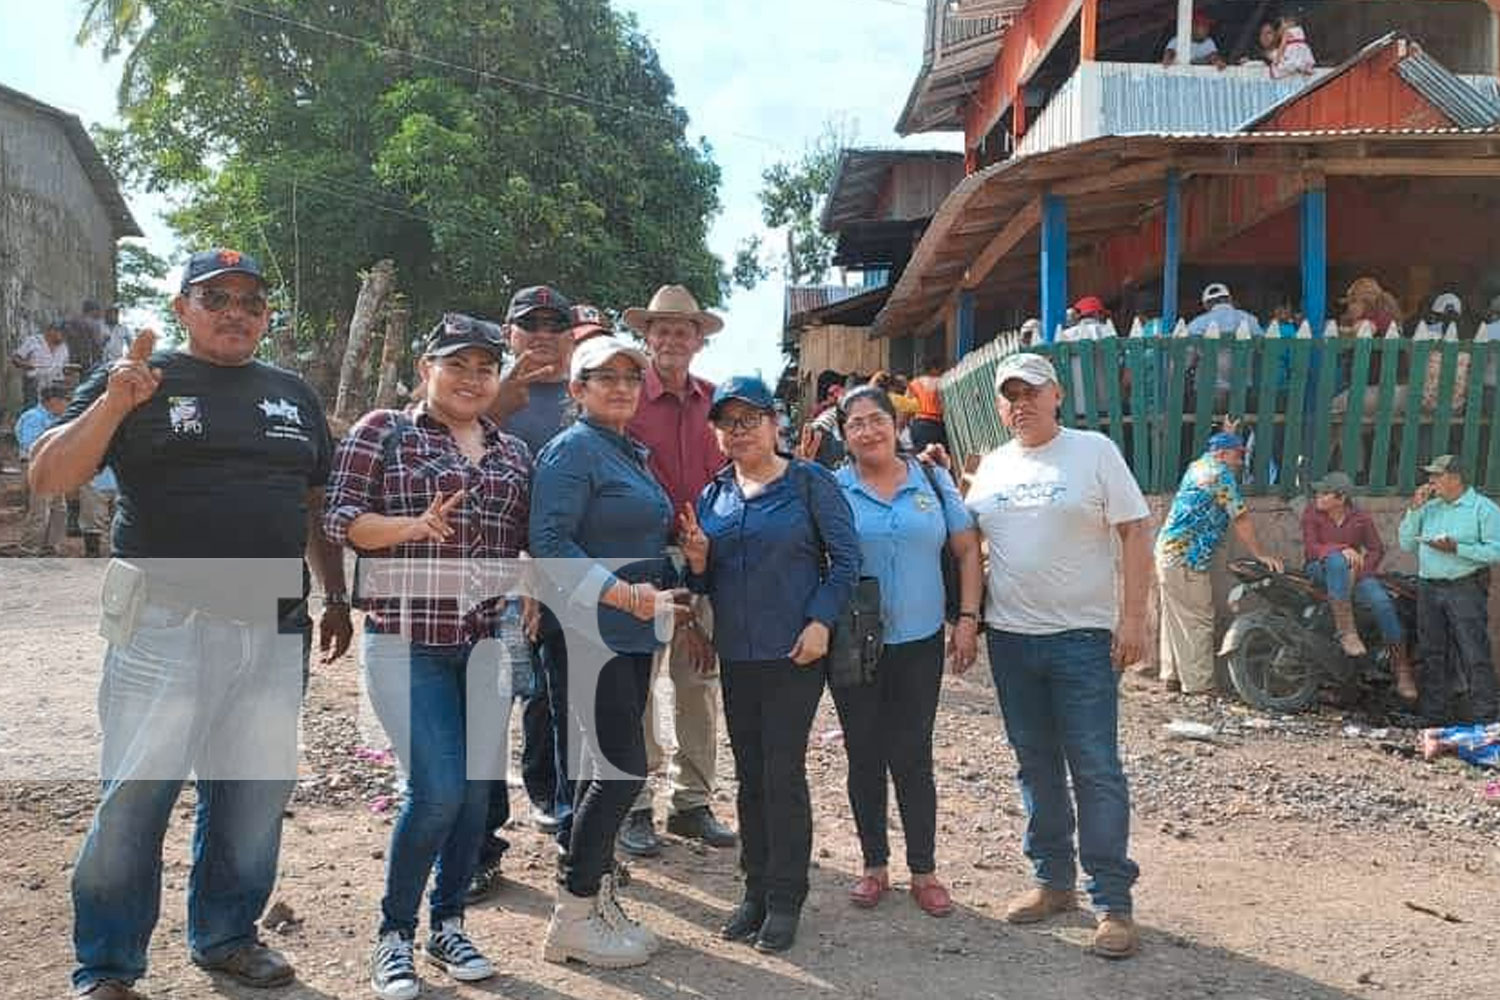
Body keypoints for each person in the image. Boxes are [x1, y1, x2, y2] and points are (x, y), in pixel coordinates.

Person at [28, 248, 352, 1000]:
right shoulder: (138, 381)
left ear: (266, 316)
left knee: (251, 797)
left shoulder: (292, 394)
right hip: (163, 622)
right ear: (183, 308)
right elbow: (49, 477)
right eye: (217, 297)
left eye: (250, 300)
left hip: (274, 625)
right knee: (136, 797)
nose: (235, 311)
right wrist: (114, 404)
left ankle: (227, 936)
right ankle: (107, 966)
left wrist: (335, 595)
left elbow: (314, 506)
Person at [325, 313, 531, 999]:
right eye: (458, 365)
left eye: (484, 368)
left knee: (475, 795)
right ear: (426, 370)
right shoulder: (383, 430)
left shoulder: (513, 453)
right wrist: (412, 526)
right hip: (405, 640)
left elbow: (526, 542)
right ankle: (394, 935)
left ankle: (449, 924)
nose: (473, 379)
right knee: (436, 789)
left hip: (483, 644)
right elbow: (342, 519)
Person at [964, 352, 1153, 959]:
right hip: (1012, 639)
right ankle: (1052, 882)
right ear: (1000, 405)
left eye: (1031, 392)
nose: (1021, 403)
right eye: (1010, 395)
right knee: (1034, 763)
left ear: (1057, 396)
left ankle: (1113, 903)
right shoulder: (992, 466)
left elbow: (1134, 530)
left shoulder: (1093, 451)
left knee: (1095, 767)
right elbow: (972, 547)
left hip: (1081, 639)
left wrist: (1131, 617)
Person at [678, 375, 859, 952]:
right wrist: (699, 562)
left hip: (795, 653)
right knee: (750, 776)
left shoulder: (811, 483)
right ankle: (753, 891)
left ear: (774, 422)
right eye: (728, 422)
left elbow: (846, 559)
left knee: (782, 774)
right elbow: (704, 580)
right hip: (737, 653)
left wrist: (820, 622)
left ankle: (786, 899)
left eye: (750, 418)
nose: (740, 431)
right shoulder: (714, 496)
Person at [530, 334, 689, 968]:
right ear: (577, 390)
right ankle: (572, 914)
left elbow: (640, 537)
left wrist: (686, 556)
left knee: (609, 769)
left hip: (628, 636)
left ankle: (594, 895)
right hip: (589, 634)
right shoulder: (572, 451)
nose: (621, 386)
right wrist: (624, 596)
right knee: (619, 769)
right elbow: (549, 541)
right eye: (604, 377)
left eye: (631, 376)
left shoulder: (628, 452)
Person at [832, 385, 982, 919]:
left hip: (919, 641)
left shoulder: (934, 480)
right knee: (863, 754)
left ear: (897, 424)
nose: (868, 431)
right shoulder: (833, 488)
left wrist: (967, 619)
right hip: (854, 643)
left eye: (877, 419)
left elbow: (966, 551)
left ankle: (924, 870)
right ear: (843, 435)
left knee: (913, 755)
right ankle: (874, 866)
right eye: (856, 424)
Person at [467, 285, 577, 903]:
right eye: (527, 323)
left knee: (567, 711)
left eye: (553, 323)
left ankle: (568, 829)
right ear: (507, 333)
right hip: (495, 583)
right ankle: (482, 847)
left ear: (570, 333)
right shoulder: (476, 394)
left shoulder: (584, 396)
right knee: (488, 712)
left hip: (568, 580)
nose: (540, 333)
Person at [618, 284, 736, 855]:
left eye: (682, 331)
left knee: (697, 682)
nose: (671, 339)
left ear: (697, 341)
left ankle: (692, 802)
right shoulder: (624, 398)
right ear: (647, 337)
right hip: (641, 560)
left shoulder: (716, 403)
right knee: (638, 685)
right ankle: (635, 804)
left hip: (702, 560)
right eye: (661, 330)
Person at [1155, 430, 1283, 694]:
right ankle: (1199, 685)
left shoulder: (1198, 466)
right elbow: (1240, 517)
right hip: (1186, 558)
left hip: (1167, 553)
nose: (1240, 462)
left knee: (1176, 616)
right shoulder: (1219, 475)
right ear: (1222, 454)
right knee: (1199, 618)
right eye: (1237, 455)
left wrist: (1229, 434)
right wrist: (1260, 554)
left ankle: (1172, 676)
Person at [1398, 455, 1500, 725]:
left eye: (1437, 476)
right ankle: (1435, 717)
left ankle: (1486, 719)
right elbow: (1407, 544)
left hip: (1464, 587)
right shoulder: (1430, 508)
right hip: (1429, 587)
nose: (1431, 481)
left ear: (1455, 478)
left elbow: (1495, 551)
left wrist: (1457, 548)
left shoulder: (1484, 509)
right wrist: (1414, 509)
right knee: (1433, 653)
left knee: (1473, 652)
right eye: (1430, 476)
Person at [1301, 471, 1414, 696]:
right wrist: (1342, 549)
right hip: (1319, 568)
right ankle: (1347, 632)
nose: (1318, 498)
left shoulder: (1361, 518)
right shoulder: (1311, 514)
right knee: (1336, 561)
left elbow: (1376, 549)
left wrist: (1362, 570)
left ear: (1340, 498)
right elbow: (1312, 548)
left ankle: (1402, 669)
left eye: (1324, 494)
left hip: (1356, 573)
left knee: (1382, 602)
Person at [14, 385, 69, 555]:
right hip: (38, 466)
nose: (66, 405)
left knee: (59, 509)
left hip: (54, 467)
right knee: (40, 510)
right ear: (52, 401)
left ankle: (50, 547)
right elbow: (32, 446)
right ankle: (29, 549)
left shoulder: (56, 418)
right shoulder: (33, 417)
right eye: (64, 401)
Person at [11, 318, 70, 408]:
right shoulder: (33, 341)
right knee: (33, 410)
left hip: (55, 386)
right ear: (51, 331)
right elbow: (15, 358)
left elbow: (65, 368)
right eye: (63, 333)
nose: (65, 336)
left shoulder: (64, 347)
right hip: (34, 383)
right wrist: (25, 365)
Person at [907, 358, 947, 451]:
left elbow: (907, 409)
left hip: (919, 425)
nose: (942, 371)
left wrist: (899, 428)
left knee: (922, 457)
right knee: (939, 457)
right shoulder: (943, 383)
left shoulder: (915, 383)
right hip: (938, 426)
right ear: (934, 369)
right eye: (940, 369)